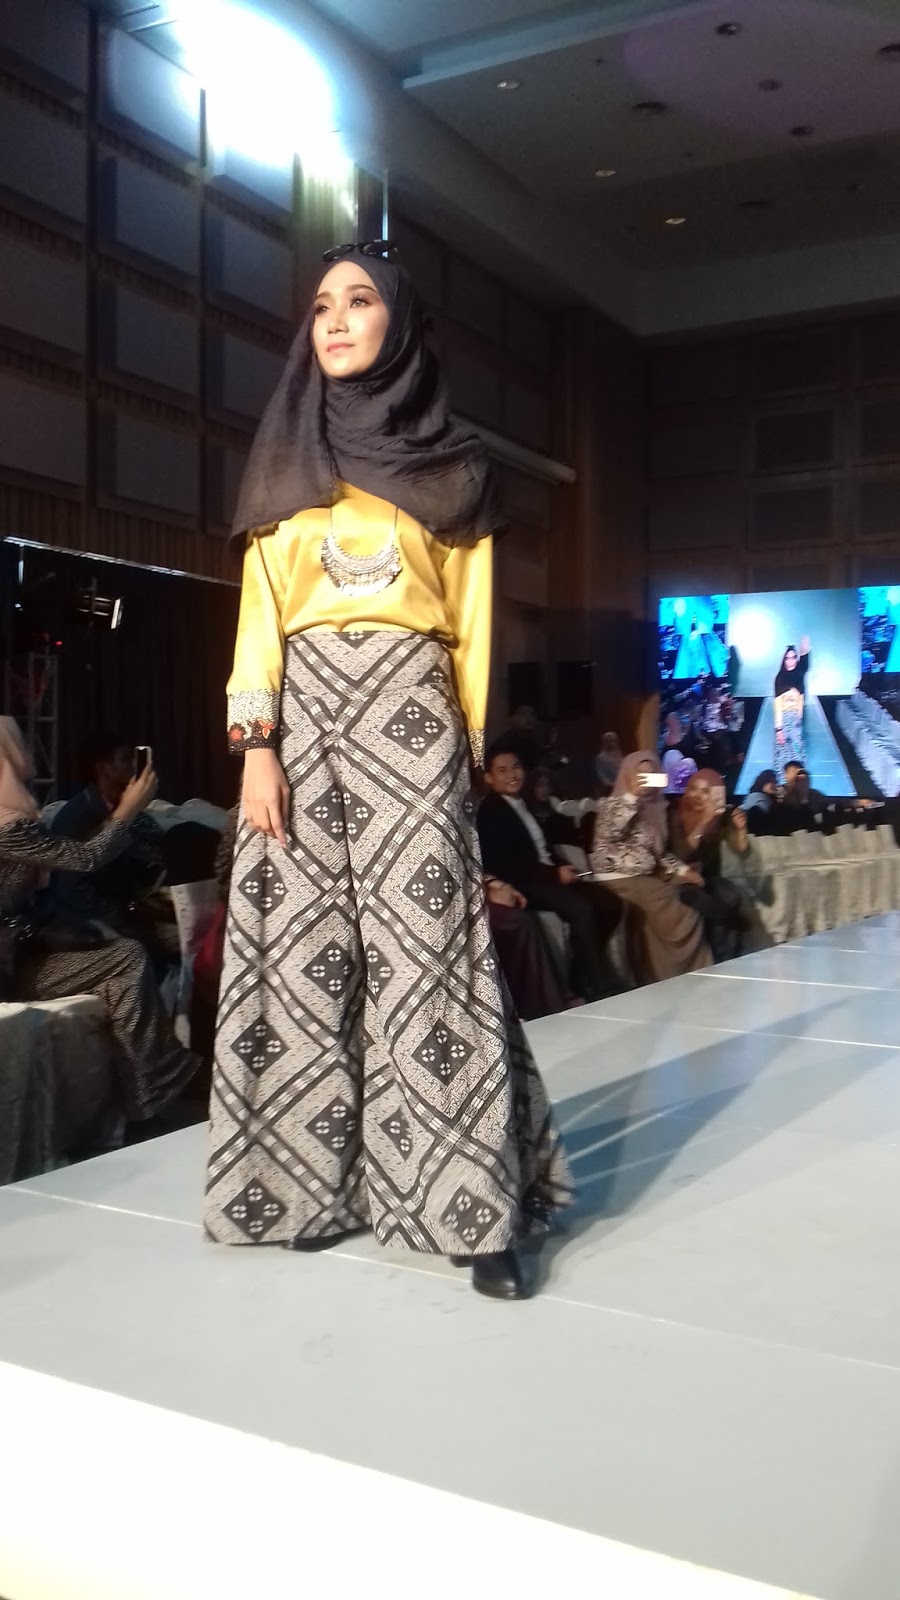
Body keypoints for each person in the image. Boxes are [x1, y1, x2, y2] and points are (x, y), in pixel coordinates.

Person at [205, 243, 570, 1301]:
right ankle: (305, 1187)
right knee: (297, 951)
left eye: (358, 300)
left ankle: (473, 1210)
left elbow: (474, 626)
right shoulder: (286, 454)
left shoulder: (454, 468)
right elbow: (259, 616)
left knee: (430, 951)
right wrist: (256, 747)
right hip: (299, 724)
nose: (334, 318)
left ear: (398, 323)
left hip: (412, 719)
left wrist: (465, 755)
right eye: (321, 304)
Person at [0, 717, 198, 1121]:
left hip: (19, 950)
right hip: (7, 965)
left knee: (127, 956)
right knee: (126, 956)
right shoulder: (9, 828)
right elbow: (83, 860)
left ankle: (151, 1089)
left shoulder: (14, 821)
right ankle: (155, 1091)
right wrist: (128, 810)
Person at [478, 744, 620, 1003]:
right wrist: (554, 875)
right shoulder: (489, 811)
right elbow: (508, 862)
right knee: (580, 908)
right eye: (502, 770)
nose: (512, 774)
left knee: (611, 904)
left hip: (548, 874)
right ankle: (593, 983)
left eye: (516, 767)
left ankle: (580, 972)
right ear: (489, 777)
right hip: (525, 882)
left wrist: (562, 867)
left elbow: (544, 847)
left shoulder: (525, 802)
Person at [590, 751, 711, 983]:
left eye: (651, 773)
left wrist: (683, 871)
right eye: (641, 774)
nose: (646, 779)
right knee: (678, 904)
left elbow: (659, 852)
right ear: (628, 775)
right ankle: (674, 973)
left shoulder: (651, 809)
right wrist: (631, 796)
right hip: (619, 877)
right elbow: (610, 832)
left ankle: (696, 967)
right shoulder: (611, 804)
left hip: (646, 873)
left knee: (692, 886)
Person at [669, 769, 767, 962]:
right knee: (716, 906)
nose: (698, 796)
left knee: (735, 896)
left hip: (706, 877)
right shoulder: (676, 814)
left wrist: (741, 829)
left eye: (707, 791)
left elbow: (740, 849)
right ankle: (718, 958)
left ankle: (739, 956)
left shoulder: (720, 815)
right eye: (695, 789)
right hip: (678, 878)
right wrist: (702, 824)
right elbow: (680, 854)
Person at [483, 874, 567, 1021]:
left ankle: (546, 1008)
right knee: (508, 922)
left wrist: (493, 883)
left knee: (520, 920)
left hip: (471, 888)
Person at [773, 637, 810, 782]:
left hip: (796, 720)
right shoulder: (779, 679)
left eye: (794, 657)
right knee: (782, 750)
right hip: (783, 719)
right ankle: (781, 782)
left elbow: (805, 664)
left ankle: (798, 781)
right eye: (788, 658)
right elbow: (777, 705)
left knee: (796, 749)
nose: (791, 661)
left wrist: (804, 647)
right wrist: (779, 729)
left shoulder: (798, 675)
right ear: (784, 660)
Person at [742, 769, 780, 834]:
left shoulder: (752, 797)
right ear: (763, 782)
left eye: (775, 782)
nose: (775, 785)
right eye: (772, 782)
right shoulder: (760, 800)